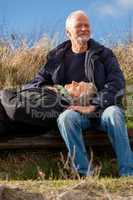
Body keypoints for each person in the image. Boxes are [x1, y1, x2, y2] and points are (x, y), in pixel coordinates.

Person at [29, 10, 133, 177]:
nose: (85, 29)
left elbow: (117, 83)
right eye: (79, 26)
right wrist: (54, 90)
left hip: (102, 109)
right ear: (68, 32)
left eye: (87, 25)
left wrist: (93, 106)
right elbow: (36, 84)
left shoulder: (103, 53)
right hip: (75, 112)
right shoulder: (56, 56)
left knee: (114, 113)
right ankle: (85, 175)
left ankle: (128, 173)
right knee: (65, 118)